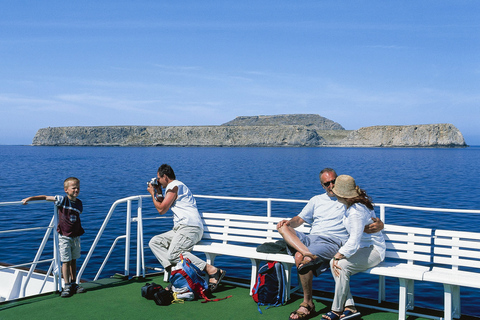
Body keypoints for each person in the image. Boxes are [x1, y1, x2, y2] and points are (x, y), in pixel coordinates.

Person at [277, 168, 383, 320]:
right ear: (322, 185)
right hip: (312, 238)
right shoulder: (318, 200)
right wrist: (288, 223)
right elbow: (300, 219)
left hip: (332, 242)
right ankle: (307, 253)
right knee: (283, 228)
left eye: (334, 182)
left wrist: (380, 225)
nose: (331, 186)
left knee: (300, 257)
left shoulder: (349, 202)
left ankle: (308, 303)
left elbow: (366, 216)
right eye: (327, 183)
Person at [148, 164, 225, 292]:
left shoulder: (174, 186)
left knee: (173, 254)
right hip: (180, 228)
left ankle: (213, 270)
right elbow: (163, 203)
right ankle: (176, 273)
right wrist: (159, 191)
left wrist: (152, 194)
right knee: (155, 242)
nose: (158, 181)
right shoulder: (173, 188)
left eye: (159, 178)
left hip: (190, 227)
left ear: (165, 176)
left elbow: (161, 209)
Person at [322, 175, 386, 320]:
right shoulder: (350, 206)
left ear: (341, 194)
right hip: (362, 248)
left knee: (339, 264)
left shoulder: (355, 211)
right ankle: (350, 307)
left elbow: (354, 240)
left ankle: (337, 310)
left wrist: (338, 255)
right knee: (335, 264)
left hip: (373, 250)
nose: (332, 190)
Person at [22, 177, 86, 298]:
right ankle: (66, 285)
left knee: (74, 260)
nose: (76, 190)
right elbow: (46, 197)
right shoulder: (62, 199)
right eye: (73, 188)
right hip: (65, 237)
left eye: (78, 187)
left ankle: (74, 283)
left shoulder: (79, 203)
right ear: (66, 190)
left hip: (76, 237)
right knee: (66, 261)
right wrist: (30, 198)